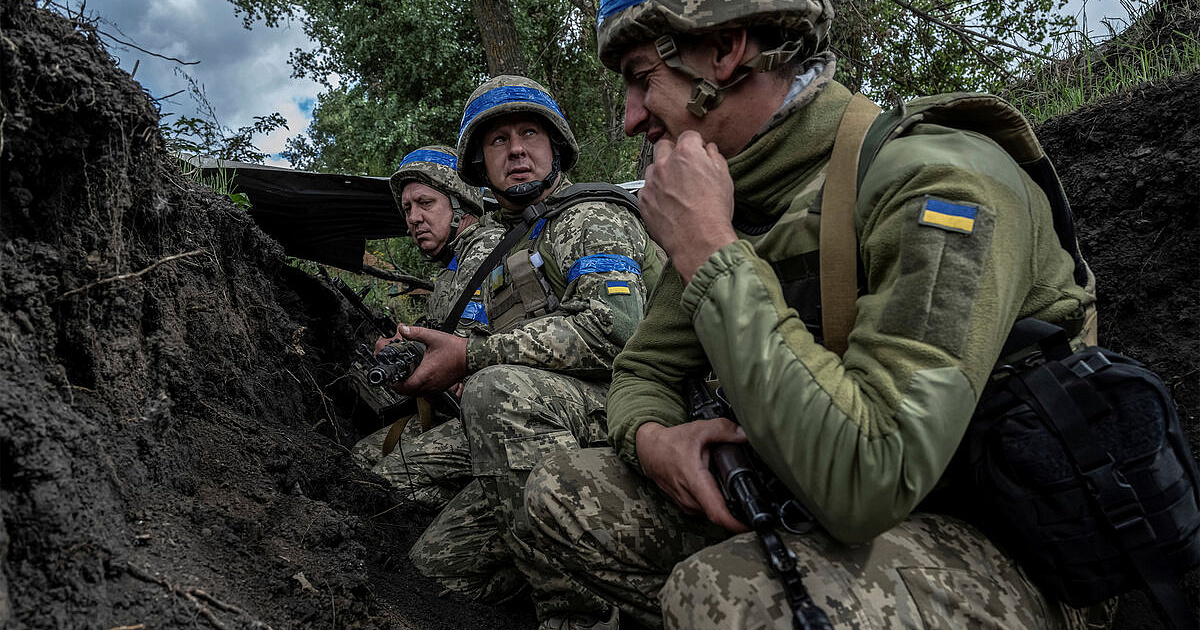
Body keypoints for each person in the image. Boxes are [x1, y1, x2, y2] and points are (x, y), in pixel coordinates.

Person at [525, 1, 1098, 628]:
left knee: (723, 595)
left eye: (643, 78)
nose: (631, 119)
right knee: (562, 492)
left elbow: (870, 478)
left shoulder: (941, 184)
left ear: (724, 52)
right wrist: (654, 439)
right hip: (808, 500)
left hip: (1009, 545)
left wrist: (710, 251)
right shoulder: (734, 192)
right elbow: (643, 371)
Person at [387, 75, 663, 628]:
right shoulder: (514, 246)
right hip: (545, 419)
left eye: (529, 134)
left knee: (495, 390)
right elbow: (474, 338)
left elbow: (615, 329)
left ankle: (580, 614)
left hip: (636, 404)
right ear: (479, 166)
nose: (515, 150)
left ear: (554, 146)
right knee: (434, 569)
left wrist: (472, 358)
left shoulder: (588, 218)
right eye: (498, 141)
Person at [352, 145, 502, 510]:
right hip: (457, 412)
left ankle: (489, 504)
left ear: (460, 203)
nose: (414, 218)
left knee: (381, 483)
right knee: (360, 458)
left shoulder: (486, 252)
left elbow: (467, 352)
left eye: (425, 203)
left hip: (494, 416)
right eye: (407, 209)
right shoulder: (454, 265)